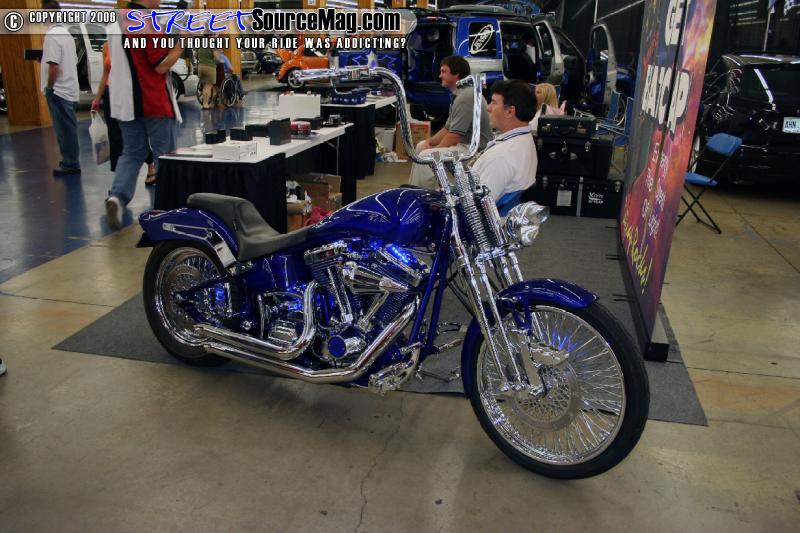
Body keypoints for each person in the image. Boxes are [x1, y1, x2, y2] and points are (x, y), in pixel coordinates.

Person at [105, 0, 185, 230]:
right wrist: (183, 43)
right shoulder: (146, 22)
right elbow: (160, 65)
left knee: (132, 152)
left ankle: (117, 197)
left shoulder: (115, 21)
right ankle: (168, 208)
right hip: (153, 100)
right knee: (166, 156)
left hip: (124, 103)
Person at [408, 55, 492, 190]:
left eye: (443, 71)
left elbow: (455, 136)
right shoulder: (460, 94)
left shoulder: (466, 97)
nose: (440, 75)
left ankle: (424, 197)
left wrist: (434, 150)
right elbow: (447, 129)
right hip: (464, 145)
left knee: (427, 157)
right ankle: (415, 190)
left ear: (456, 74)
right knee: (421, 146)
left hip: (474, 151)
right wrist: (429, 142)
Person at [91, 42, 156, 185]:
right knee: (115, 137)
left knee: (135, 134)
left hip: (128, 93)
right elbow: (105, 74)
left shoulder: (132, 44)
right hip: (111, 94)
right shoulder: (106, 46)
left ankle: (150, 162)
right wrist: (97, 98)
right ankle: (119, 180)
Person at [471, 79, 538, 209]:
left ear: (510, 111)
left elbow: (475, 208)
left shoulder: (501, 156)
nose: (488, 108)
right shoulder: (524, 140)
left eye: (494, 103)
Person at [40, 0, 80, 176]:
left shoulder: (52, 35)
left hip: (59, 90)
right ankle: (71, 161)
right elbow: (70, 61)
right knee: (69, 129)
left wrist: (50, 87)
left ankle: (70, 163)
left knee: (64, 130)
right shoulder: (66, 34)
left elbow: (54, 66)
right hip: (69, 88)